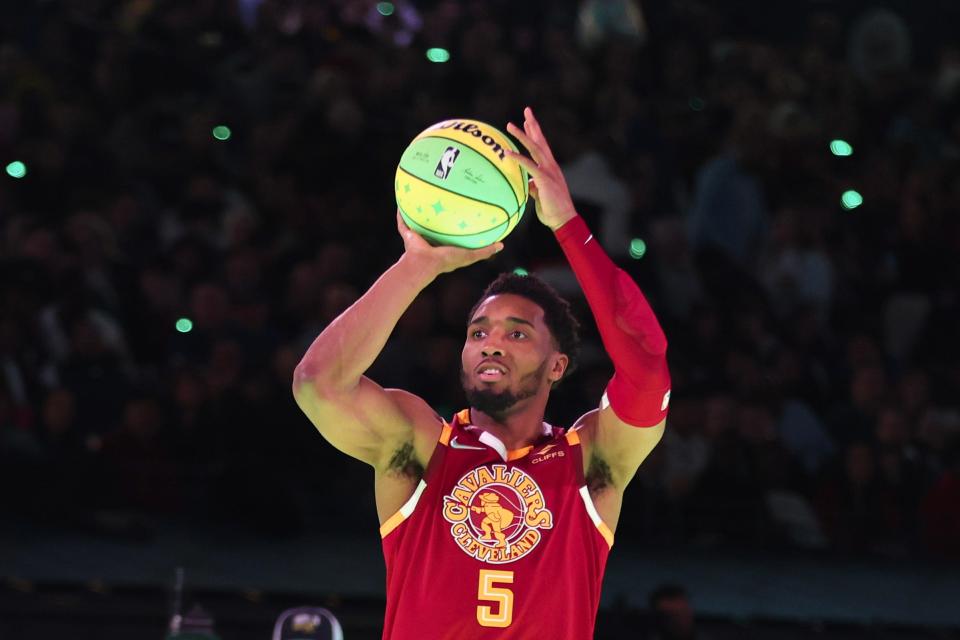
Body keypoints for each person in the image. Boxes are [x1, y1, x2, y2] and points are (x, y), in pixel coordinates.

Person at [293, 107, 671, 639]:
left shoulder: (593, 459)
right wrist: (417, 265)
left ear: (557, 365)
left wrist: (568, 226)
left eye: (517, 333)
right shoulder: (420, 444)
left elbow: (647, 366)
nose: (491, 342)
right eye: (478, 332)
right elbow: (318, 384)